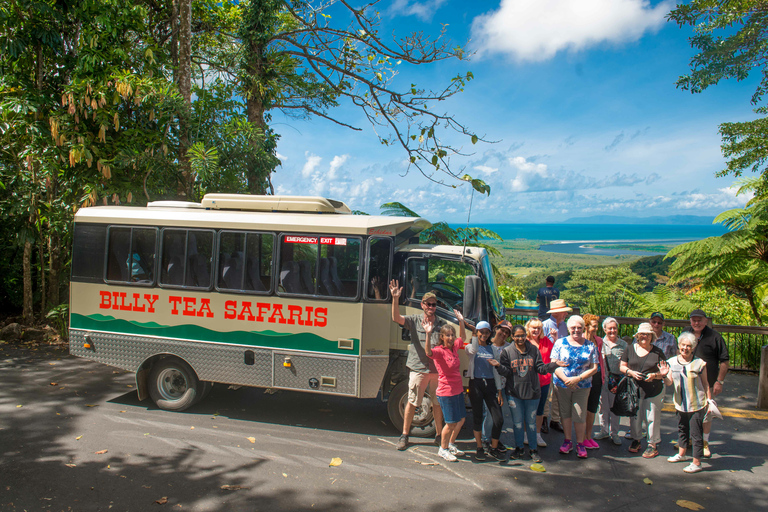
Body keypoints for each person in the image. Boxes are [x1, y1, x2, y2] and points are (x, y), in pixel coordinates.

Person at [493, 325, 563, 463]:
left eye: (522, 335)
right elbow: (506, 372)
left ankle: (533, 450)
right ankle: (519, 448)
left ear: (526, 335)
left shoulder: (533, 350)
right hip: (514, 394)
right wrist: (498, 366)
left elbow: (541, 368)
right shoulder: (507, 352)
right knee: (518, 423)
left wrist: (554, 364)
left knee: (531, 424)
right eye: (517, 336)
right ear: (512, 337)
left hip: (532, 394)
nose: (520, 338)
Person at [389, 280, 444, 451]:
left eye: (434, 305)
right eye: (428, 304)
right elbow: (396, 318)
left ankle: (439, 435)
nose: (431, 307)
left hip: (436, 371)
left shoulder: (442, 324)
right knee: (412, 402)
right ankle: (405, 435)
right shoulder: (414, 320)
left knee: (437, 403)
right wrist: (395, 299)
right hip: (418, 368)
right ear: (422, 305)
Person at [660, 332, 712, 473]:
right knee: (682, 429)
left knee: (696, 434)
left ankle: (696, 462)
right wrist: (664, 374)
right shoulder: (671, 362)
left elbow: (706, 384)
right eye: (683, 345)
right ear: (679, 345)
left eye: (689, 346)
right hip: (680, 403)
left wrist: (709, 401)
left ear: (693, 347)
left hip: (697, 404)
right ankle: (682, 454)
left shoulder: (699, 363)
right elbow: (669, 383)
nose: (685, 348)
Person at [551, 315, 599, 459]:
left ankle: (580, 443)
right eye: (573, 327)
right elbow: (554, 363)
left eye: (579, 327)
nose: (576, 330)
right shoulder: (560, 343)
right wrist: (566, 379)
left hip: (582, 385)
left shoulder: (590, 345)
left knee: (579, 414)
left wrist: (577, 379)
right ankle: (567, 441)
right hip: (562, 384)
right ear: (569, 328)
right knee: (565, 413)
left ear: (583, 328)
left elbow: (594, 367)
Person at [684, 309, 729, 458]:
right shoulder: (685, 333)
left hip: (707, 383)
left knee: (707, 414)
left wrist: (719, 381)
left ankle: (704, 442)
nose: (696, 323)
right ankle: (690, 440)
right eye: (693, 320)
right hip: (688, 382)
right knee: (688, 412)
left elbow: (725, 360)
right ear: (690, 321)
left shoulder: (715, 337)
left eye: (699, 320)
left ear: (705, 321)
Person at [424, 317, 468, 462]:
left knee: (461, 420)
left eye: (452, 335)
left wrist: (461, 321)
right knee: (450, 423)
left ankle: (450, 444)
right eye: (447, 335)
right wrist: (428, 334)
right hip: (446, 392)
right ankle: (442, 450)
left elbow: (463, 337)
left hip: (457, 390)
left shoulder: (454, 347)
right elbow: (428, 353)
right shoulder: (439, 351)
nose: (450, 337)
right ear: (442, 337)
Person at [620, 322, 666, 458]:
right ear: (637, 336)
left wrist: (655, 376)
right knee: (635, 417)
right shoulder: (629, 349)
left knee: (652, 418)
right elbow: (622, 366)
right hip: (634, 389)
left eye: (647, 334)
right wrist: (630, 372)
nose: (644, 336)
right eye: (642, 334)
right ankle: (636, 439)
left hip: (653, 390)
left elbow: (664, 371)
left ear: (652, 336)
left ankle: (652, 444)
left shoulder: (657, 352)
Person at [465, 321, 506, 461]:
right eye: (481, 331)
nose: (484, 334)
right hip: (476, 383)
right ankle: (479, 447)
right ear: (477, 332)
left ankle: (493, 447)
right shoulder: (471, 346)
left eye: (486, 332)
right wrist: (474, 334)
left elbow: (496, 372)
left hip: (490, 384)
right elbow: (474, 350)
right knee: (477, 417)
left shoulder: (493, 349)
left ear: (490, 334)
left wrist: (499, 390)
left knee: (498, 419)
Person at [480, 320, 513, 455]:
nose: (504, 334)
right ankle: (485, 439)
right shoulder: (487, 344)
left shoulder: (510, 347)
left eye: (507, 333)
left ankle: (495, 438)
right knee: (489, 415)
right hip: (489, 385)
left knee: (501, 415)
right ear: (496, 329)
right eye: (502, 330)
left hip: (504, 386)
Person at [594, 316, 626, 445]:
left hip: (617, 381)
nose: (612, 331)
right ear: (604, 329)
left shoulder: (623, 345)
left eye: (614, 328)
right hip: (603, 380)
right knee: (603, 407)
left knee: (614, 407)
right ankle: (604, 430)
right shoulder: (600, 343)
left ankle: (615, 433)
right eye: (609, 328)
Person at [542, 298, 571, 433]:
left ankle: (555, 419)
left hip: (561, 364)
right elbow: (542, 346)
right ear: (556, 313)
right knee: (547, 391)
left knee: (558, 391)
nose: (565, 314)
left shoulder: (564, 326)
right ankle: (543, 419)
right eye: (563, 312)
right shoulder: (545, 325)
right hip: (548, 362)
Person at [525, 317, 552, 447]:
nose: (536, 330)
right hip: (527, 382)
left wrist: (556, 337)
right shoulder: (524, 342)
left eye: (538, 328)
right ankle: (526, 434)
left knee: (540, 409)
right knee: (528, 408)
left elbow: (555, 355)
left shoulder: (546, 341)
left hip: (544, 381)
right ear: (528, 329)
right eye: (533, 327)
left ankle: (537, 434)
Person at [581, 313, 604, 450]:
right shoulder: (580, 340)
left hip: (596, 375)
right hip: (584, 376)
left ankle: (588, 436)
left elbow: (601, 360)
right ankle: (581, 437)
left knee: (592, 408)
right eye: (594, 326)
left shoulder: (598, 341)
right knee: (583, 408)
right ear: (587, 326)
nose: (596, 328)